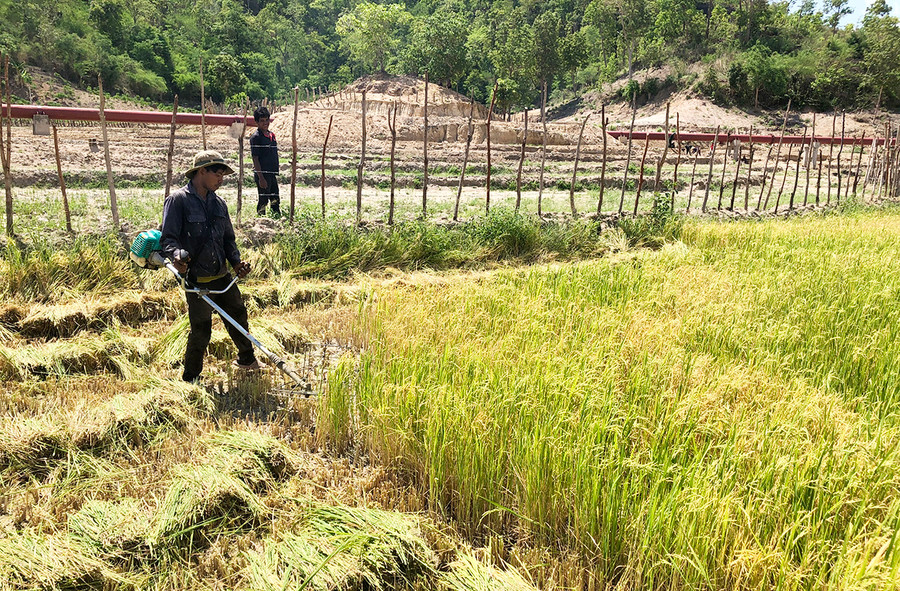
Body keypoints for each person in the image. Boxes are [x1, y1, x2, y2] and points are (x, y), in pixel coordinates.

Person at [160, 150, 260, 383]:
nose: (221, 179)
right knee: (201, 330)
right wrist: (177, 256)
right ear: (201, 171)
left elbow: (228, 240)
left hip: (221, 275)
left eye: (224, 175)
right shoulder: (178, 201)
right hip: (196, 280)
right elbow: (168, 239)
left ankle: (247, 360)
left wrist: (236, 263)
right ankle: (191, 377)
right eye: (217, 173)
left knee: (238, 318)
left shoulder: (219, 204)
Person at [249, 106, 281, 217]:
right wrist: (261, 178)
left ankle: (276, 218)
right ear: (257, 122)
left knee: (275, 198)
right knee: (263, 200)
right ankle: (261, 220)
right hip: (262, 174)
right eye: (262, 121)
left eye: (266, 120)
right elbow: (255, 158)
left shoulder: (271, 135)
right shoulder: (256, 137)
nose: (265, 123)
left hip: (271, 173)